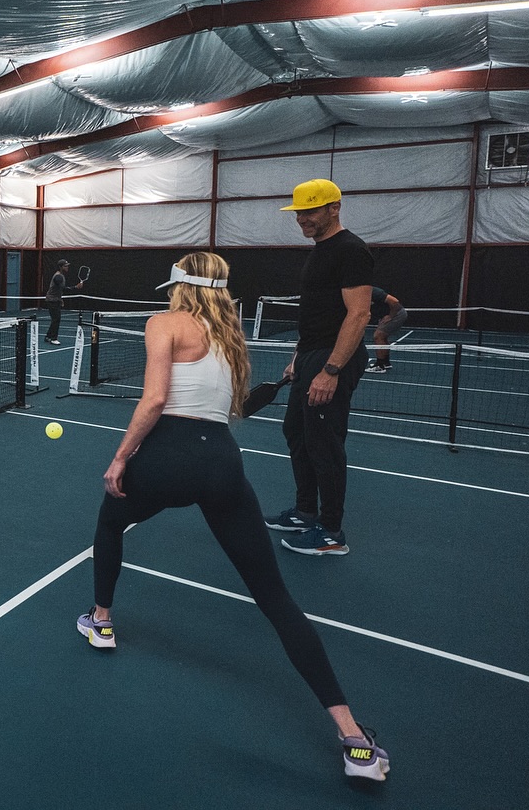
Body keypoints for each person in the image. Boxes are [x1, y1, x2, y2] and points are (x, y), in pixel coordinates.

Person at [79, 251, 389, 782]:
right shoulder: (230, 334)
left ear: (178, 286)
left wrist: (121, 457)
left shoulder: (164, 323)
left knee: (110, 523)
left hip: (166, 457)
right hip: (221, 462)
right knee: (274, 598)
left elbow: (155, 400)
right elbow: (232, 408)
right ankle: (353, 735)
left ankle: (101, 622)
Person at [264, 179, 373, 556]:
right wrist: (299, 357)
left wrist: (331, 369)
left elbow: (358, 315)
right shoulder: (320, 250)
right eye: (299, 213)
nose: (302, 219)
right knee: (296, 431)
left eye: (309, 211)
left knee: (325, 444)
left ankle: (331, 534)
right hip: (312, 354)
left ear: (334, 208)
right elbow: (318, 313)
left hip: (333, 357)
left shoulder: (351, 250)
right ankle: (306, 511)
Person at [43, 259, 85, 345]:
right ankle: (53, 338)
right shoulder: (58, 276)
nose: (67, 267)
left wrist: (60, 298)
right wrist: (75, 287)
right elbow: (62, 288)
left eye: (67, 266)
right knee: (56, 319)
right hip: (52, 300)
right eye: (65, 266)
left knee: (55, 319)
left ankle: (48, 336)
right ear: (60, 267)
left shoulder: (61, 275)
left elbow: (58, 290)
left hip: (55, 299)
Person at [365, 287, 407, 374]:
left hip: (397, 314)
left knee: (378, 336)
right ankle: (386, 362)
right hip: (390, 314)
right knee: (383, 337)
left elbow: (394, 301)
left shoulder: (374, 292)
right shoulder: (363, 295)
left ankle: (380, 365)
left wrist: (391, 316)